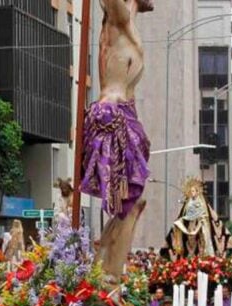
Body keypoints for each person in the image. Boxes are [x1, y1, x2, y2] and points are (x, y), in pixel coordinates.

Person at [82, 0, 154, 279]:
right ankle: (106, 272)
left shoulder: (128, 25)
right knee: (129, 201)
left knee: (132, 203)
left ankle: (107, 269)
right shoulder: (115, 21)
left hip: (125, 114)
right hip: (112, 114)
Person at [166, 178, 232, 258]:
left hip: (201, 223)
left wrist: (198, 224)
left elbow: (203, 214)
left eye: (193, 191)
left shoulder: (201, 202)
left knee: (204, 238)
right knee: (178, 227)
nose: (192, 193)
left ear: (197, 191)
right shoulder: (188, 202)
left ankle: (204, 252)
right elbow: (185, 213)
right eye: (190, 191)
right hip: (189, 223)